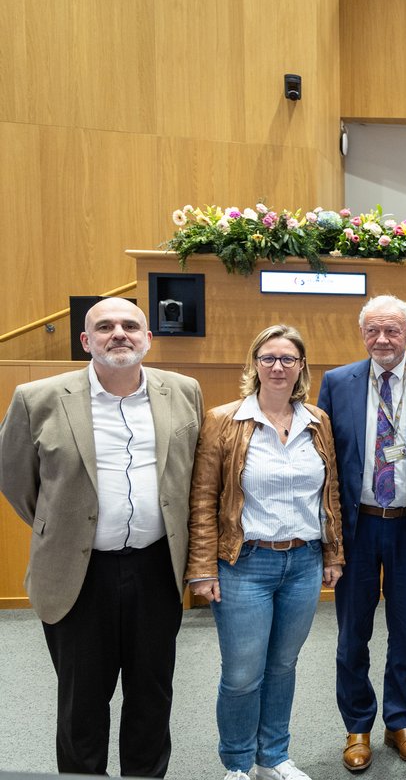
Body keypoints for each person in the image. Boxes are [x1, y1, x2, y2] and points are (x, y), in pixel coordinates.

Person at [0, 298, 203, 778]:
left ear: (148, 338)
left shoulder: (184, 390)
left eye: (131, 325)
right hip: (77, 572)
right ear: (85, 341)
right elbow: (15, 479)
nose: (120, 334)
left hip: (157, 568)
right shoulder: (38, 397)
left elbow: (191, 473)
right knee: (82, 702)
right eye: (105, 326)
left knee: (151, 695)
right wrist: (65, 526)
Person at [187, 324, 345, 780]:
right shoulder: (224, 420)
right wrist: (201, 568)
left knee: (282, 667)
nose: (278, 367)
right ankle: (237, 764)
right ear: (254, 365)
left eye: (288, 359)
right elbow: (203, 499)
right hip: (243, 564)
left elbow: (329, 493)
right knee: (241, 673)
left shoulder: (318, 421)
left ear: (302, 368)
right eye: (269, 358)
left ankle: (272, 757)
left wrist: (333, 554)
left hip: (302, 562)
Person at [317, 295, 406, 771]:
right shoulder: (337, 383)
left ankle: (400, 721)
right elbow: (325, 464)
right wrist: (330, 536)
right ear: (363, 335)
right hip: (357, 527)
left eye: (392, 331)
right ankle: (357, 725)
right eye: (373, 330)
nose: (382, 339)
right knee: (351, 634)